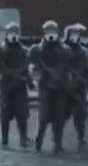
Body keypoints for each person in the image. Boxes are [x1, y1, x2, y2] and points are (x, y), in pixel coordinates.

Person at [0, 22, 32, 148]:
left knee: (21, 113)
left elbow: (26, 68)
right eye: (11, 33)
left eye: (15, 32)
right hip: (6, 86)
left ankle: (23, 139)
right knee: (5, 113)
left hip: (20, 86)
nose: (13, 35)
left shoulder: (24, 51)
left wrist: (29, 81)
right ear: (6, 34)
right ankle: (5, 139)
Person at [28, 20, 67, 153]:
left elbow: (68, 66)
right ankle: (39, 141)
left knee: (59, 117)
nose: (51, 33)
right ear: (44, 32)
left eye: (53, 30)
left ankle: (58, 143)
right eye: (48, 31)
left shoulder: (64, 49)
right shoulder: (37, 49)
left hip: (61, 87)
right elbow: (32, 65)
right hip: (45, 86)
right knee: (44, 117)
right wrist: (37, 72)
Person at [60, 24, 88, 148]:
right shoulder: (61, 49)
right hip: (64, 89)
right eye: (73, 34)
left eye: (77, 34)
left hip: (79, 88)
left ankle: (81, 138)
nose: (75, 36)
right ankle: (58, 140)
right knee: (61, 115)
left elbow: (86, 69)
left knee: (80, 116)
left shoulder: (83, 51)